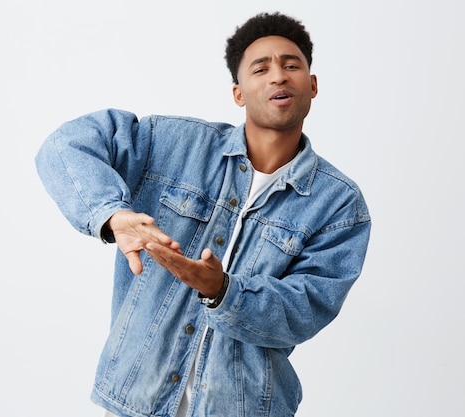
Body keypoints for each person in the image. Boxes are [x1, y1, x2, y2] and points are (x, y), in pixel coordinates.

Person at [35, 11, 371, 417]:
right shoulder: (174, 145)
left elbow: (304, 310)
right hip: (136, 400)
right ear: (238, 93)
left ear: (312, 85)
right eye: (260, 68)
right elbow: (66, 146)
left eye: (291, 65)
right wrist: (110, 214)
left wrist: (223, 291)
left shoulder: (338, 204)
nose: (278, 76)